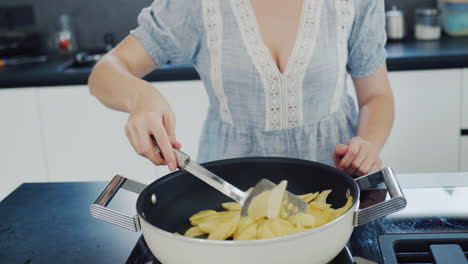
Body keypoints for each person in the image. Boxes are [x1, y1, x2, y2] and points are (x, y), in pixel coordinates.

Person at [88, 0, 394, 177]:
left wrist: (367, 145)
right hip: (228, 191)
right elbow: (106, 70)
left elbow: (375, 97)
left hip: (336, 187)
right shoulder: (196, 5)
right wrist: (141, 97)